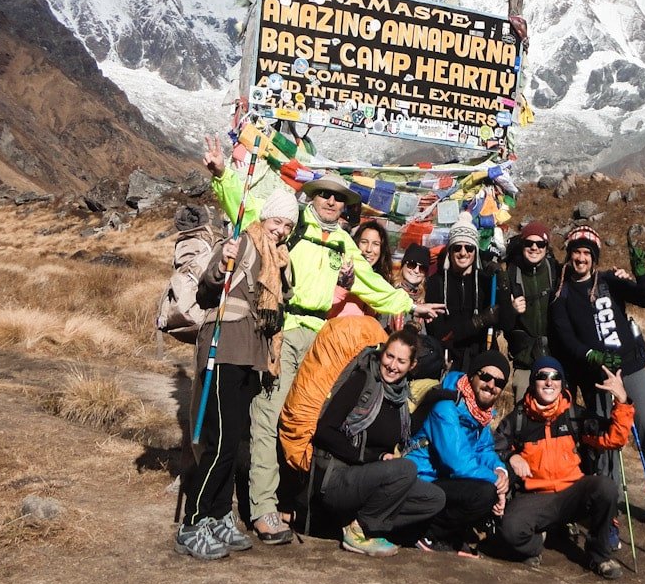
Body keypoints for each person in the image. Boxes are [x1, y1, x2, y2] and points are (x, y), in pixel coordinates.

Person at [204, 136, 443, 545]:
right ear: (312, 197)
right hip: (285, 331)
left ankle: (293, 501)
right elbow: (248, 218)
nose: (331, 202)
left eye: (338, 198)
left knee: (311, 420)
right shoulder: (292, 228)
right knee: (269, 413)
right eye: (325, 195)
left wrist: (410, 304)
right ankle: (262, 507)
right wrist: (223, 176)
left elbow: (371, 285)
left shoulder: (344, 242)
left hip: (325, 339)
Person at [549, 224, 645, 547]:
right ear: (569, 256)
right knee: (606, 444)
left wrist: (640, 271)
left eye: (587, 253)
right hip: (596, 376)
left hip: (630, 368)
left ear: (594, 257)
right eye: (576, 252)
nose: (581, 258)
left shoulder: (611, 281)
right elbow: (567, 340)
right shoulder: (562, 296)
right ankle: (608, 515)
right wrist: (591, 355)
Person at [175, 187, 293, 561]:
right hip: (224, 348)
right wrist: (219, 262)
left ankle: (219, 514)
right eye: (277, 220)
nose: (282, 229)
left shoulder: (279, 259)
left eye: (289, 224)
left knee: (234, 438)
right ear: (265, 218)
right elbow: (210, 287)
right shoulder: (240, 242)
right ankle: (193, 522)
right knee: (221, 440)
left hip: (250, 356)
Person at [495, 356, 634, 579]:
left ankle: (599, 556)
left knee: (605, 488)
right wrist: (511, 456)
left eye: (555, 377)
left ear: (562, 383)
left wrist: (622, 401)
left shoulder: (574, 416)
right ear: (533, 382)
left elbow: (614, 438)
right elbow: (494, 447)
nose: (549, 382)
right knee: (510, 531)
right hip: (535, 496)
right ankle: (536, 542)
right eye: (542, 376)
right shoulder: (518, 420)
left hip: (573, 492)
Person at [311, 328, 446, 556]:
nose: (393, 366)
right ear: (381, 353)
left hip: (367, 480)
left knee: (434, 498)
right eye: (389, 356)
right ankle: (360, 531)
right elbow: (324, 431)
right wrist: (368, 457)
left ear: (412, 366)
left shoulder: (401, 398)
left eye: (401, 361)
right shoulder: (362, 380)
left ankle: (362, 522)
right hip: (338, 477)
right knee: (406, 469)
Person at [405, 349, 512, 556]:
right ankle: (429, 534)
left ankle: (452, 536)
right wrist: (495, 482)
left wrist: (501, 471)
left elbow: (484, 449)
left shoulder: (479, 414)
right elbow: (457, 462)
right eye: (486, 377)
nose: (491, 385)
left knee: (499, 480)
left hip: (442, 479)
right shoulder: (445, 407)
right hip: (421, 479)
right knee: (484, 492)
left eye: (499, 383)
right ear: (472, 375)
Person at [424, 217, 503, 373]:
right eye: (457, 247)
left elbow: (504, 321)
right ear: (450, 251)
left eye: (469, 248)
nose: (463, 253)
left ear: (475, 250)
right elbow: (440, 333)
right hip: (448, 362)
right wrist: (478, 321)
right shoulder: (436, 283)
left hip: (482, 360)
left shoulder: (485, 281)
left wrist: (503, 280)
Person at [501, 219, 561, 401]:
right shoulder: (510, 274)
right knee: (523, 411)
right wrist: (511, 310)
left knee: (555, 416)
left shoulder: (556, 271)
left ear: (546, 246)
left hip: (554, 356)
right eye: (529, 243)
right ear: (522, 245)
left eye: (540, 244)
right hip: (524, 360)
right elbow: (503, 323)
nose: (534, 248)